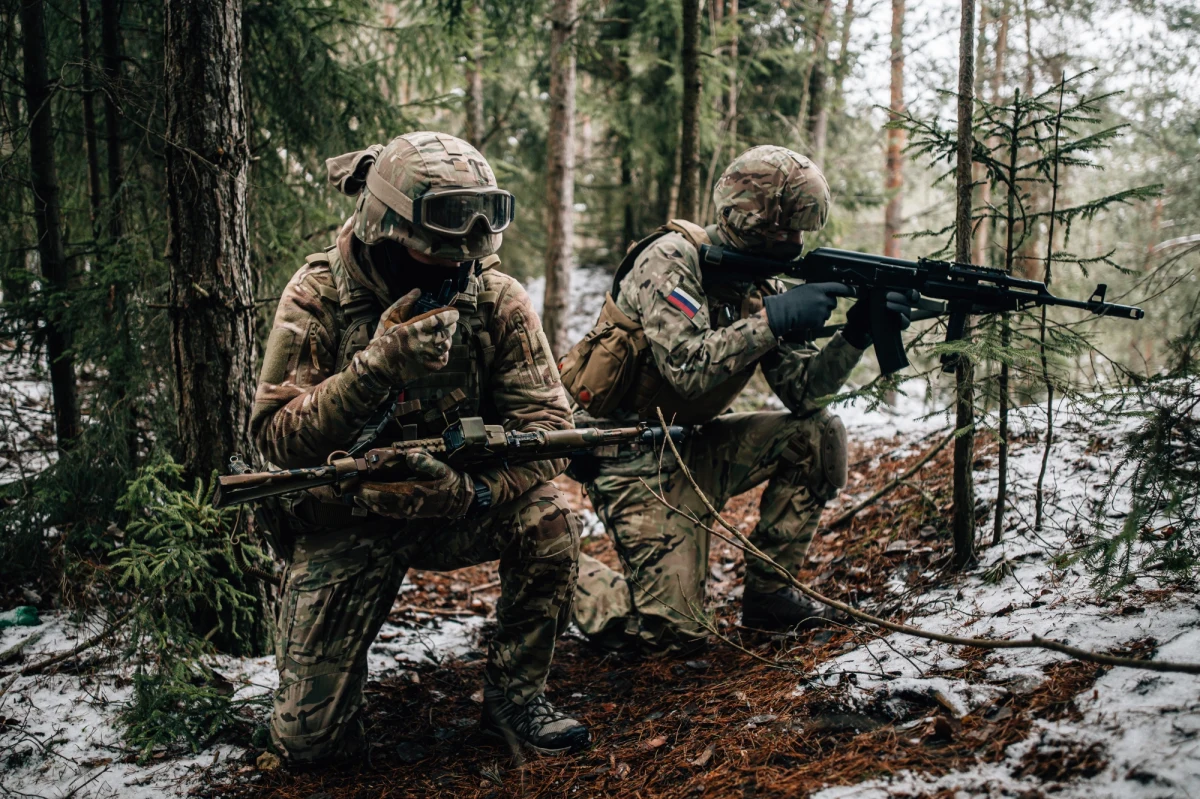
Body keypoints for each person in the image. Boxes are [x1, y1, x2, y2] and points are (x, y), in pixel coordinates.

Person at [251, 131, 590, 763]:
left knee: (550, 520)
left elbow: (550, 431)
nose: (455, 274)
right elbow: (274, 439)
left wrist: (476, 490)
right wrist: (373, 370)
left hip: (453, 509)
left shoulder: (494, 296)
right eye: (433, 260)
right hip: (349, 521)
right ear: (384, 233)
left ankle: (514, 702)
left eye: (464, 259)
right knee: (309, 747)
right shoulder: (319, 293)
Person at [562, 145, 915, 655]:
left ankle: (770, 595)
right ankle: (557, 561)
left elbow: (803, 394)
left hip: (693, 445)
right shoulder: (670, 259)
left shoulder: (759, 280)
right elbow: (686, 369)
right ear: (746, 218)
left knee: (815, 435)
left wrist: (855, 335)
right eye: (784, 229)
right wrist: (773, 319)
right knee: (673, 635)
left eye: (800, 230)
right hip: (628, 456)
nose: (795, 242)